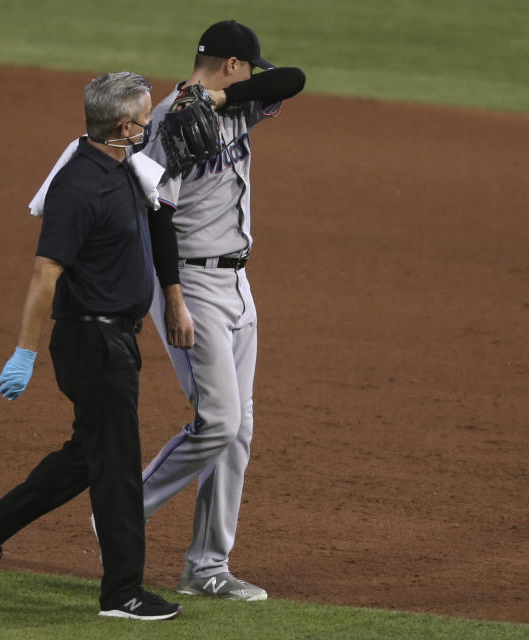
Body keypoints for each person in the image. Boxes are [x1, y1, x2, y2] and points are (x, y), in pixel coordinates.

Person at [0, 71, 182, 621]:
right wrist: (24, 353)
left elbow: (159, 222)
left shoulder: (121, 164)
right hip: (92, 340)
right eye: (145, 118)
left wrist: (174, 300)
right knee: (119, 469)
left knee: (90, 454)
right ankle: (122, 594)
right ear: (124, 125)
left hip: (115, 338)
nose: (150, 125)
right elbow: (44, 274)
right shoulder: (79, 185)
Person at [137, 20, 306, 600]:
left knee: (240, 429)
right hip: (190, 282)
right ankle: (123, 514)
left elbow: (296, 78)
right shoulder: (169, 120)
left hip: (238, 283)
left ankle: (207, 567)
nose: (259, 77)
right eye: (249, 68)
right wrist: (174, 299)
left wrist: (222, 96)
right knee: (218, 423)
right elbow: (158, 212)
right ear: (233, 62)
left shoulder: (237, 106)